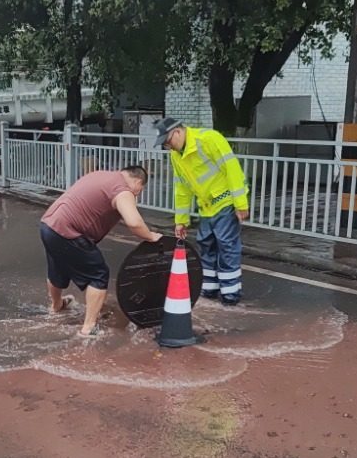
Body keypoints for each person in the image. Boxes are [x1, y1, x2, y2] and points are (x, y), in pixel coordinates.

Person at [40, 166, 163, 337]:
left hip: (49, 224)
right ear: (137, 181)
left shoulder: (101, 175)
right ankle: (89, 328)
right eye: (140, 190)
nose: (138, 194)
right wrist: (151, 236)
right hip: (69, 232)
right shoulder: (123, 190)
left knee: (58, 269)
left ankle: (56, 306)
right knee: (99, 274)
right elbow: (134, 222)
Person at [156, 117, 249, 305]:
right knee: (206, 244)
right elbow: (181, 188)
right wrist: (181, 220)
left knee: (226, 245)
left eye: (168, 141)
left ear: (178, 132)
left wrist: (240, 203)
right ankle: (210, 288)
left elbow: (232, 169)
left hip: (225, 201)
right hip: (206, 206)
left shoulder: (209, 139)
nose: (168, 147)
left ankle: (230, 293)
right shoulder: (176, 155)